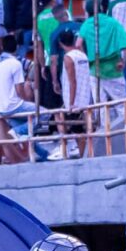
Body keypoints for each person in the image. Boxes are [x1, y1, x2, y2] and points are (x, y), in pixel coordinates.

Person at [79, 0, 126, 129]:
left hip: (95, 69)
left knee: (100, 106)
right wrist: (123, 61)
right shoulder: (112, 22)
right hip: (114, 68)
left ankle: (105, 134)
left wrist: (87, 58)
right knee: (121, 105)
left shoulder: (86, 24)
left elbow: (78, 44)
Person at [48, 29, 87, 161]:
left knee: (79, 131)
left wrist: (71, 103)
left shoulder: (68, 58)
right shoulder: (82, 55)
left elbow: (72, 82)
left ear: (60, 43)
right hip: (85, 96)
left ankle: (82, 156)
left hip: (76, 99)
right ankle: (64, 146)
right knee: (59, 115)